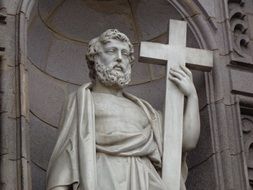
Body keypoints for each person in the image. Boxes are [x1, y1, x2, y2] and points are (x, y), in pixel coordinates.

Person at [46, 29, 200, 190]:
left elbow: (186, 143)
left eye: (125, 54)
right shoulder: (82, 101)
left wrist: (192, 96)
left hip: (145, 181)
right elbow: (66, 155)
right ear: (95, 59)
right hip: (102, 177)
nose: (119, 58)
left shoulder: (147, 111)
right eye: (111, 51)